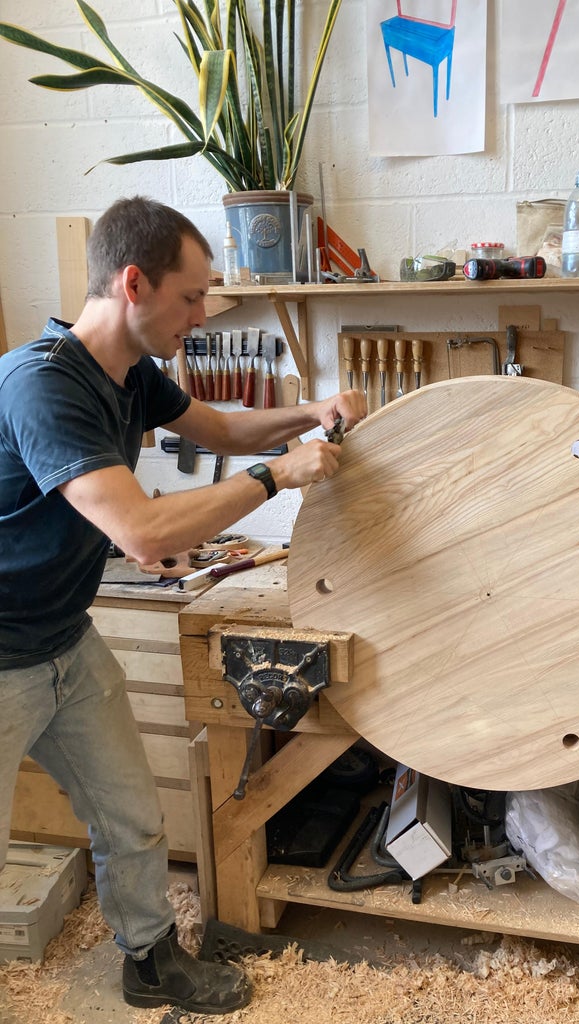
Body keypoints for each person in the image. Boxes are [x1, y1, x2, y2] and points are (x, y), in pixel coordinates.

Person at [0, 196, 367, 1014]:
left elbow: (222, 430)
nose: (201, 317)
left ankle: (151, 963)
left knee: (132, 816)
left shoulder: (130, 377)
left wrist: (311, 415)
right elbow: (139, 529)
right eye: (193, 296)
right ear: (135, 283)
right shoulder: (42, 386)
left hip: (62, 639)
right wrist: (282, 476)